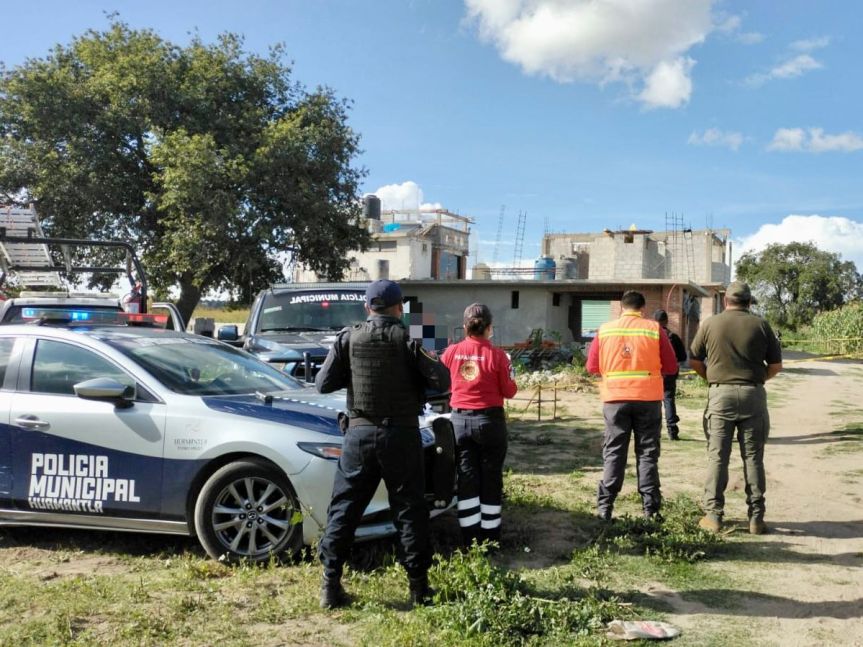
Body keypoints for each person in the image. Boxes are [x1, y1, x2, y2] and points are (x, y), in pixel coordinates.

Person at [315, 279, 451, 609]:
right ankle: (418, 588)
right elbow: (442, 379)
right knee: (409, 510)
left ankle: (330, 587)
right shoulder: (410, 338)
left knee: (344, 509)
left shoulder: (348, 338)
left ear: (367, 308)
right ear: (399, 307)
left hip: (359, 435)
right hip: (401, 436)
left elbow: (322, 384)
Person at [689, 281, 782, 535]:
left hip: (721, 395)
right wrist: (758, 377)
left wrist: (710, 378)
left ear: (725, 301)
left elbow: (694, 359)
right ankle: (756, 518)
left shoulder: (710, 324)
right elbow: (775, 366)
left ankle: (714, 516)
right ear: (749, 302)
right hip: (753, 395)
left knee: (718, 457)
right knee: (753, 458)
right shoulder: (762, 325)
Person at [586, 291, 679, 521]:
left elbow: (591, 367)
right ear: (643, 309)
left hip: (615, 400)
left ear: (620, 308)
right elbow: (671, 366)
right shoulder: (654, 329)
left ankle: (605, 507)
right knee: (647, 453)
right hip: (648, 399)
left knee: (614, 452)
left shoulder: (605, 330)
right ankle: (650, 509)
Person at [441, 303, 518, 547]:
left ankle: (469, 539)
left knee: (466, 479)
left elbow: (441, 383)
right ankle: (490, 539)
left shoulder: (451, 352)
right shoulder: (498, 356)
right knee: (491, 479)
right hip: (490, 423)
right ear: (489, 328)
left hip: (460, 422)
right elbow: (510, 391)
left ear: (464, 327)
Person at [653, 309, 688, 441]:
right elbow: (683, 357)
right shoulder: (673, 336)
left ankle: (654, 431)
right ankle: (672, 430)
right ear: (666, 321)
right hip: (669, 374)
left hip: (653, 374)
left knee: (654, 403)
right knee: (668, 400)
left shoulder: (649, 337)